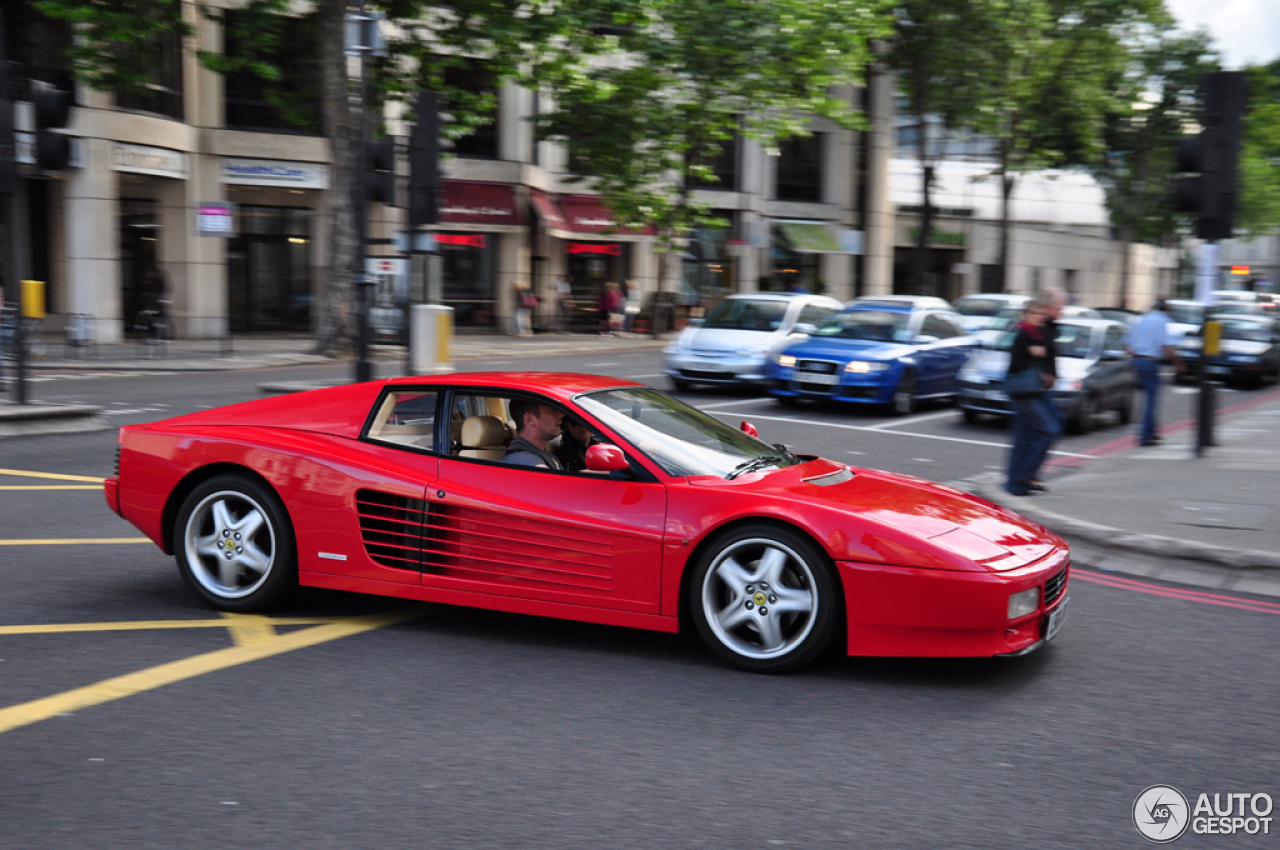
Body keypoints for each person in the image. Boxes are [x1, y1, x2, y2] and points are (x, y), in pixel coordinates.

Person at [1005, 298, 1062, 497]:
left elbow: (1049, 352)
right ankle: (1025, 475)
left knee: (1042, 433)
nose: (1039, 317)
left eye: (1041, 314)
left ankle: (1024, 479)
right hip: (1023, 394)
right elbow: (1016, 365)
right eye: (1035, 314)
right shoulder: (1023, 334)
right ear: (1026, 315)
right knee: (1049, 430)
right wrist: (1035, 356)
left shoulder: (1036, 334)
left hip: (1034, 392)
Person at [1126, 298, 1182, 446]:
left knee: (1146, 398)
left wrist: (1133, 361)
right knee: (1151, 400)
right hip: (1151, 362)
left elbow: (1128, 344)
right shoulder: (1162, 321)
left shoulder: (1143, 319)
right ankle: (1146, 436)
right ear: (1166, 311)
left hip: (1138, 360)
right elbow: (1167, 347)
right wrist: (1178, 364)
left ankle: (1150, 432)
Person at [502, 398, 565, 468]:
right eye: (552, 410)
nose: (561, 415)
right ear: (530, 419)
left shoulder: (540, 452)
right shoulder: (521, 458)